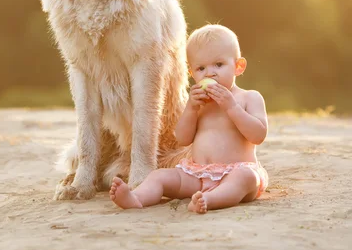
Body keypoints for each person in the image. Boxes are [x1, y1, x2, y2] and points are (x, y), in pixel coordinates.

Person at [110, 24, 268, 214]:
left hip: (235, 173)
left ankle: (209, 199)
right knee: (159, 176)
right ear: (192, 74)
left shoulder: (248, 97)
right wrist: (191, 109)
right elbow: (183, 138)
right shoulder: (198, 103)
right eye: (201, 68)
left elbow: (258, 135)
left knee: (247, 177)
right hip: (197, 175)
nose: (210, 73)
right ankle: (136, 198)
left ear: (238, 66)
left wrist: (231, 107)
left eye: (219, 64)